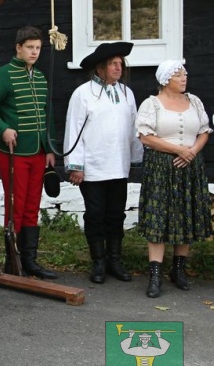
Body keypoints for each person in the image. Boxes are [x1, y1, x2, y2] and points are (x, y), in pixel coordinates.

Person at [0, 25, 58, 279]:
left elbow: (47, 115)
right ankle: (13, 261)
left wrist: (49, 148)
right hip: (14, 152)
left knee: (33, 205)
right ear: (18, 48)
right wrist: (2, 129)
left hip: (37, 153)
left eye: (37, 48)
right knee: (15, 205)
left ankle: (30, 260)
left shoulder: (41, 77)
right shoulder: (4, 75)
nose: (34, 53)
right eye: (30, 48)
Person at [64, 42, 143, 284]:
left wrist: (135, 158)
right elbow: (73, 129)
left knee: (116, 214)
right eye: (113, 64)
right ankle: (98, 262)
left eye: (121, 64)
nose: (119, 68)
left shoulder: (126, 93)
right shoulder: (83, 94)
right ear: (100, 68)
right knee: (96, 214)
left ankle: (114, 260)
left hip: (118, 166)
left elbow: (133, 129)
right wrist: (75, 165)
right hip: (93, 168)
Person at [136, 60, 211, 298]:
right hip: (161, 167)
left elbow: (204, 131)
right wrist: (178, 150)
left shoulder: (194, 101)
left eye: (185, 74)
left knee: (185, 215)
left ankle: (179, 270)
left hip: (190, 166)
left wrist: (191, 152)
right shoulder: (152, 104)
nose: (184, 78)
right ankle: (155, 274)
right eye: (179, 75)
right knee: (159, 218)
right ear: (166, 79)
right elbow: (145, 137)